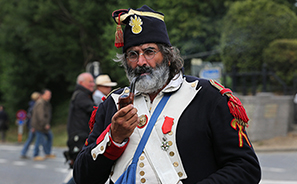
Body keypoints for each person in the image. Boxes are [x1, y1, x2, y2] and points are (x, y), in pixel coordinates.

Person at [73, 5, 261, 184]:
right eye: (132, 54)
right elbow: (83, 178)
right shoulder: (112, 104)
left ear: (168, 56)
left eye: (149, 52)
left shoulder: (208, 97)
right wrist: (114, 138)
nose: (141, 62)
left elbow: (245, 168)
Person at [64, 72, 96, 184]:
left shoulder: (81, 95)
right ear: (81, 83)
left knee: (84, 173)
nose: (93, 84)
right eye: (90, 82)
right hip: (80, 138)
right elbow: (94, 111)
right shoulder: (81, 96)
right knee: (84, 173)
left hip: (79, 138)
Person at [31, 89, 55, 161]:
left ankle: (47, 153)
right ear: (43, 95)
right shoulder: (40, 103)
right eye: (48, 95)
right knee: (39, 140)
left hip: (42, 125)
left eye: (50, 95)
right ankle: (36, 154)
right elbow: (40, 115)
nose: (49, 96)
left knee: (49, 137)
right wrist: (45, 124)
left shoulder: (45, 103)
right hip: (40, 125)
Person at [20, 92, 41, 159]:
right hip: (34, 125)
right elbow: (33, 117)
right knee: (36, 139)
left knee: (31, 139)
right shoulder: (35, 106)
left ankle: (23, 152)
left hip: (31, 125)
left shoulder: (31, 105)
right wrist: (33, 126)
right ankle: (35, 154)